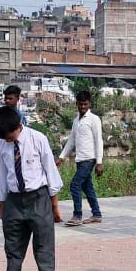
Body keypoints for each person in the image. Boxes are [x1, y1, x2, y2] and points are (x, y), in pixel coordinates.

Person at [0, 105, 62, 271]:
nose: (8, 140)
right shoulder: (1, 143)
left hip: (38, 199)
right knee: (13, 253)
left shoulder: (38, 139)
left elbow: (51, 173)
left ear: (19, 126)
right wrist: (3, 206)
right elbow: (1, 176)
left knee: (44, 252)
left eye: (10, 136)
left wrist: (54, 206)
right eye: (4, 138)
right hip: (14, 202)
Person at [0, 85, 62, 227]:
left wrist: (54, 204)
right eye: (5, 98)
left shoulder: (22, 123)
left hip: (21, 162)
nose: (7, 101)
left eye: (10, 98)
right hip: (6, 159)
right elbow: (2, 140)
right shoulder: (1, 120)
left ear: (17, 99)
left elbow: (48, 169)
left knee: (2, 185)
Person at [59, 90, 104, 226]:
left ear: (89, 104)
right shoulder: (76, 121)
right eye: (80, 104)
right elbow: (71, 141)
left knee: (75, 185)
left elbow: (99, 140)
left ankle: (77, 215)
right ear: (76, 104)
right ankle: (96, 214)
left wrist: (99, 162)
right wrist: (61, 157)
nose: (82, 107)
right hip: (79, 159)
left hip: (89, 159)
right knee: (87, 187)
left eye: (85, 104)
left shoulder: (94, 119)